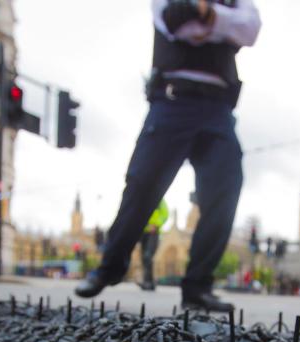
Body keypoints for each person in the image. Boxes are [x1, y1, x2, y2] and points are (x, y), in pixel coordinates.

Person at [75, 0, 262, 313]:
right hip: (172, 101)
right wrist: (222, 25)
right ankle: (109, 268)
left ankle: (198, 285)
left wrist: (207, 13)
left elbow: (250, 28)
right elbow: (174, 21)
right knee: (142, 183)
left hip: (218, 107)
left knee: (225, 188)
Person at [139, 199, 169, 290]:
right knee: (143, 257)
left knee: (148, 255)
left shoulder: (159, 198)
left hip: (154, 232)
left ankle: (148, 282)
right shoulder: (142, 199)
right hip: (143, 233)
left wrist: (156, 224)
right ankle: (148, 282)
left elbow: (165, 214)